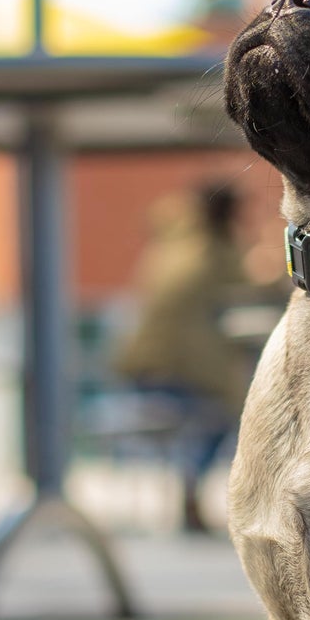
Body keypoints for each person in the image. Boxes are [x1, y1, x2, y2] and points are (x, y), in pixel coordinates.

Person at [114, 181, 253, 532]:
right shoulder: (216, 251)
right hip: (183, 366)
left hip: (139, 363)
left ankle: (188, 484)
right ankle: (192, 488)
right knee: (233, 414)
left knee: (211, 413)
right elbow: (249, 290)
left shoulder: (171, 241)